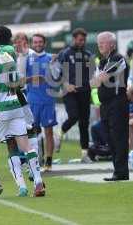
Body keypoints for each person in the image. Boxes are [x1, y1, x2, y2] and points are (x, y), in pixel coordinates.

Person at [0, 31, 45, 198]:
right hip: (16, 107)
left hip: (1, 110)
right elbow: (15, 81)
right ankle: (38, 180)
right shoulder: (7, 56)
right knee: (26, 146)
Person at [91, 31, 129, 181]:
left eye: (104, 41)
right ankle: (117, 170)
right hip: (106, 104)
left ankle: (121, 172)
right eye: (99, 41)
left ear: (112, 44)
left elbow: (99, 80)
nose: (100, 44)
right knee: (109, 137)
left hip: (117, 102)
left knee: (118, 137)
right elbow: (96, 81)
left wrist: (97, 80)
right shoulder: (102, 61)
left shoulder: (117, 58)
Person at [57, 28, 93, 163]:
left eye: (84, 40)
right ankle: (59, 133)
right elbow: (57, 73)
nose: (82, 42)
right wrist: (65, 84)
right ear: (74, 39)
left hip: (85, 91)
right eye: (79, 40)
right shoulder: (65, 53)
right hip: (69, 92)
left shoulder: (88, 54)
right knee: (73, 116)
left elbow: (92, 73)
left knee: (84, 123)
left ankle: (85, 154)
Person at [26, 33, 58, 171]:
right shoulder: (27, 59)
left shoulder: (51, 58)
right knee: (31, 133)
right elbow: (21, 79)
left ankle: (48, 161)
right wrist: (33, 78)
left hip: (48, 100)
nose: (38, 44)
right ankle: (34, 161)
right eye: (35, 42)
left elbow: (57, 78)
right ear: (32, 44)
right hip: (32, 101)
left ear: (44, 43)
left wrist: (52, 66)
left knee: (48, 132)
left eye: (40, 42)